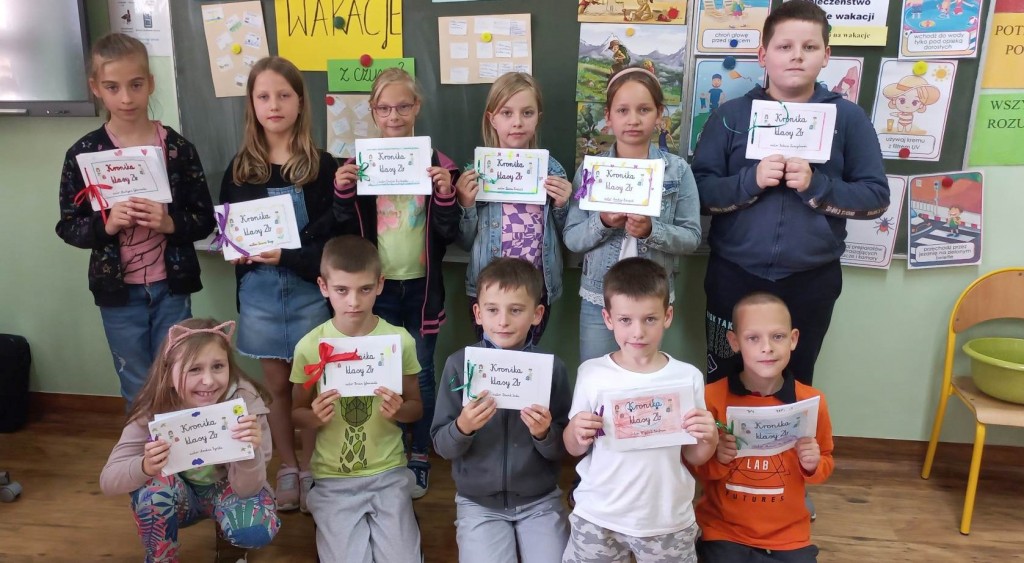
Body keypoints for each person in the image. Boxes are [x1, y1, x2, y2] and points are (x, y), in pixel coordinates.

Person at [692, 0, 889, 386]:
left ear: (826, 55)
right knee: (724, 379)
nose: (797, 56)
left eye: (809, 47)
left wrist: (818, 187)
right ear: (762, 55)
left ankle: (787, 430)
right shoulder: (730, 117)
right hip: (734, 274)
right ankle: (722, 430)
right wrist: (749, 181)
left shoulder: (849, 119)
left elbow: (876, 197)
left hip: (810, 279)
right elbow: (698, 193)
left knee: (794, 383)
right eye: (784, 46)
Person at [56, 33, 215, 406]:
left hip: (171, 287)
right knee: (136, 384)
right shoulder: (85, 152)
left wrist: (170, 222)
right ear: (96, 88)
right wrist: (107, 225)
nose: (126, 98)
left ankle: (180, 444)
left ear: (151, 84)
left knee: (177, 377)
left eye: (136, 85)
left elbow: (205, 218)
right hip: (118, 292)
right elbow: (69, 225)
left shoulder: (177, 150)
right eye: (113, 87)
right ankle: (146, 444)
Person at [220, 56, 340, 513]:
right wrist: (240, 251)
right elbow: (230, 237)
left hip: (310, 288)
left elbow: (331, 240)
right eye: (264, 96)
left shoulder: (322, 167)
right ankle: (287, 467)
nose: (274, 105)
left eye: (284, 95)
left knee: (312, 387)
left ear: (300, 102)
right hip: (262, 295)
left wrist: (289, 255)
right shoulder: (239, 170)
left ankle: (312, 467)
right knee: (277, 389)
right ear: (252, 105)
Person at [334, 68, 460, 498]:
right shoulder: (358, 165)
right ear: (372, 110)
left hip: (423, 290)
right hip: (376, 290)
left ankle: (419, 451)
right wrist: (342, 192)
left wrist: (446, 195)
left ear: (417, 107)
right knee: (375, 372)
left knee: (420, 373)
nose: (394, 115)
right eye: (384, 108)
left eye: (403, 106)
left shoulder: (439, 164)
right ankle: (383, 450)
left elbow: (448, 233)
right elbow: (345, 229)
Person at [562, 258, 717, 563]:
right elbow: (573, 448)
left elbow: (694, 455)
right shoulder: (592, 373)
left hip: (665, 518)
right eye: (625, 320)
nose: (638, 332)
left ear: (667, 316)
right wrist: (576, 430)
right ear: (608, 318)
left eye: (649, 319)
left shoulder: (687, 377)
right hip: (599, 515)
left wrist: (709, 438)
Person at [99, 318, 279, 562]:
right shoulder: (154, 407)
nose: (208, 380)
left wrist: (250, 452)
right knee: (152, 492)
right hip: (179, 494)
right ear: (168, 373)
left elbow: (248, 489)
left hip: (230, 490)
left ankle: (230, 550)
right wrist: (145, 466)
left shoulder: (245, 405)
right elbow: (108, 480)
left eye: (218, 366)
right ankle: (162, 557)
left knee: (254, 529)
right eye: (194, 369)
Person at [291, 235, 424, 563]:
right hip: (333, 478)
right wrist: (314, 416)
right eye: (342, 290)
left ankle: (400, 518)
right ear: (323, 287)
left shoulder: (399, 341)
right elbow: (296, 413)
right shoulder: (310, 346)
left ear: (380, 285)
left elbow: (416, 408)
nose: (353, 301)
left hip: (388, 471)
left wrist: (400, 410)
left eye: (364, 289)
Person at [432, 257, 572, 563]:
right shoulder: (459, 365)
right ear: (478, 313)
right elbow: (442, 446)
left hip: (540, 501)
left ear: (537, 315)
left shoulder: (552, 370)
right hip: (478, 503)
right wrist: (463, 427)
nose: (503, 321)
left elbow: (562, 449)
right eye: (493, 310)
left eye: (516, 310)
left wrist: (544, 434)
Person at [564, 68, 701, 362]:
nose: (633, 120)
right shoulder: (591, 171)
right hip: (600, 299)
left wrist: (652, 230)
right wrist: (602, 222)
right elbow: (572, 239)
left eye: (644, 110)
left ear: (659, 114)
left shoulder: (678, 170)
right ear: (609, 116)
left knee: (642, 378)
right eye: (623, 110)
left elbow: (691, 237)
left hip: (652, 300)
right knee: (598, 375)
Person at [693, 292, 834, 563]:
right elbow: (695, 467)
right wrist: (716, 457)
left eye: (777, 336)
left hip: (789, 533)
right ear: (734, 342)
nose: (766, 347)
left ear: (793, 339)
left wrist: (813, 464)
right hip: (725, 529)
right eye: (753, 338)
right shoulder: (711, 398)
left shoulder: (811, 401)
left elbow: (825, 461)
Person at [454, 73, 573, 345]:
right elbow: (464, 240)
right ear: (492, 118)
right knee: (491, 358)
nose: (517, 122)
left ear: (538, 118)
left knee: (527, 357)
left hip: (536, 289)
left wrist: (563, 205)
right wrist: (466, 204)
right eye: (507, 113)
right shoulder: (477, 174)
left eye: (527, 113)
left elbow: (568, 236)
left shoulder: (553, 171)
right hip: (489, 292)